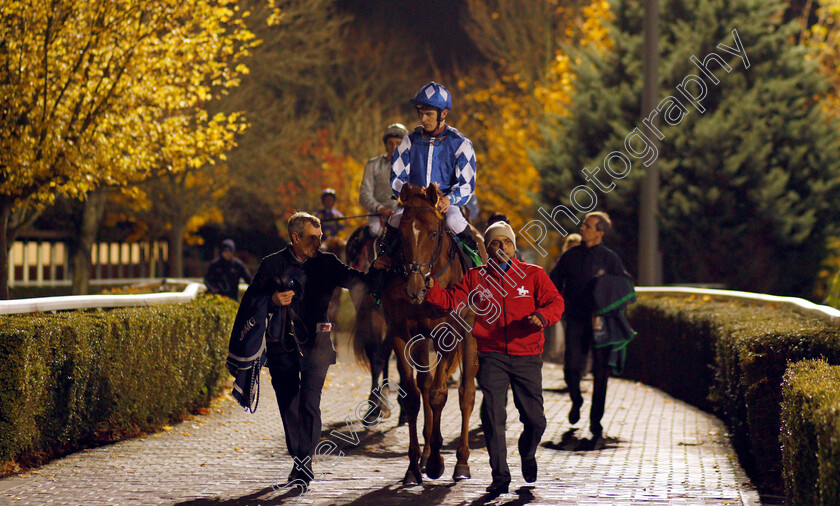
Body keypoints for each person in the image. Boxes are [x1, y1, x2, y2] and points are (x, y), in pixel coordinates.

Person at [226, 212, 389, 487]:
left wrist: (378, 269)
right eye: (313, 238)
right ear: (296, 237)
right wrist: (272, 300)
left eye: (321, 237)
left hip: (318, 346)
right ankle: (299, 458)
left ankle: (304, 462)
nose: (319, 242)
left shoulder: (326, 263)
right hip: (281, 346)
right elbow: (250, 301)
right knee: (288, 405)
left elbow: (358, 282)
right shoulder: (272, 264)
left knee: (310, 404)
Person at [424, 221, 565, 495]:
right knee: (492, 415)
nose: (502, 247)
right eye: (495, 243)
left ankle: (527, 452)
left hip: (527, 354)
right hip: (491, 355)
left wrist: (542, 316)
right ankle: (500, 475)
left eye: (507, 242)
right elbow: (451, 300)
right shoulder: (476, 277)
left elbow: (555, 302)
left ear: (514, 247)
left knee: (536, 420)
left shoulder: (533, 274)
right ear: (488, 249)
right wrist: (430, 286)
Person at [548, 211, 633, 441]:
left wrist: (605, 289)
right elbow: (552, 281)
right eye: (584, 225)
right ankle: (576, 400)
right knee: (571, 368)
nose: (582, 228)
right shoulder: (570, 256)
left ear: (600, 232)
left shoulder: (610, 258)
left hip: (600, 323)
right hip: (575, 319)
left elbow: (626, 284)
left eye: (588, 225)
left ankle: (596, 422)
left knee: (601, 373)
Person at [384, 81, 480, 261]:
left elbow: (466, 185)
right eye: (421, 114)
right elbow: (397, 177)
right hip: (414, 203)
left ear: (443, 114)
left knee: (455, 222)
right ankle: (378, 275)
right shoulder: (409, 141)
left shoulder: (461, 144)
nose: (423, 119)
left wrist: (449, 199)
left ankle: (477, 268)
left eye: (428, 114)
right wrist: (412, 193)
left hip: (445, 206)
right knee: (394, 221)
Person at [359, 123, 408, 239]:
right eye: (390, 143)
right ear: (386, 145)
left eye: (398, 143)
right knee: (376, 231)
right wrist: (380, 208)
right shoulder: (373, 165)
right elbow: (364, 194)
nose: (394, 147)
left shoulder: (414, 167)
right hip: (378, 214)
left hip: (404, 213)